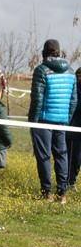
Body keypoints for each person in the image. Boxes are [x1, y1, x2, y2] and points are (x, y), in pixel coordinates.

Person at [28, 39, 77, 204]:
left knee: (44, 157)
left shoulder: (41, 70)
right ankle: (62, 193)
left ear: (44, 52)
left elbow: (37, 99)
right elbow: (73, 101)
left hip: (43, 119)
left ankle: (46, 192)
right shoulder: (71, 72)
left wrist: (32, 122)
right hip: (62, 121)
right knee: (62, 155)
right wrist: (67, 119)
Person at [67, 67, 81, 189]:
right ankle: (69, 182)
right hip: (73, 128)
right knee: (72, 157)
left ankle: (72, 180)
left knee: (78, 159)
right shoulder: (73, 89)